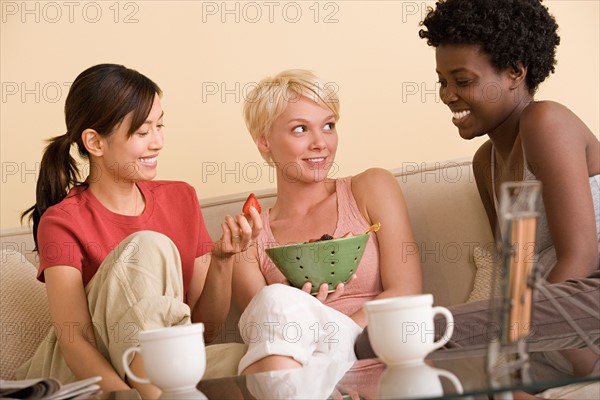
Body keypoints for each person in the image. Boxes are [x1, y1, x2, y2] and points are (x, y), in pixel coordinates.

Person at [356, 0, 600, 385]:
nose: (447, 95)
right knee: (427, 346)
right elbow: (514, 270)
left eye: (462, 80)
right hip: (545, 327)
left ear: (515, 71)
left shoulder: (546, 122)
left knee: (426, 332)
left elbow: (581, 259)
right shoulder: (484, 162)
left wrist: (516, 349)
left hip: (584, 309)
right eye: (442, 81)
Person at [16, 64, 261, 398]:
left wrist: (221, 260)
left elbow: (201, 334)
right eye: (143, 132)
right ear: (94, 142)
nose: (157, 142)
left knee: (249, 361)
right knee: (148, 246)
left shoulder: (181, 198)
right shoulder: (62, 221)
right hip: (88, 377)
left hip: (158, 369)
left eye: (160, 126)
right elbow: (75, 344)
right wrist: (132, 396)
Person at [232, 69, 423, 375]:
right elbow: (262, 332)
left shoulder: (372, 187)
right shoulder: (250, 238)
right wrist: (301, 311)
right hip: (302, 365)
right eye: (300, 129)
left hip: (378, 349)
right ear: (265, 141)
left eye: (329, 126)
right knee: (273, 303)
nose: (320, 143)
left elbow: (407, 290)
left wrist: (330, 329)